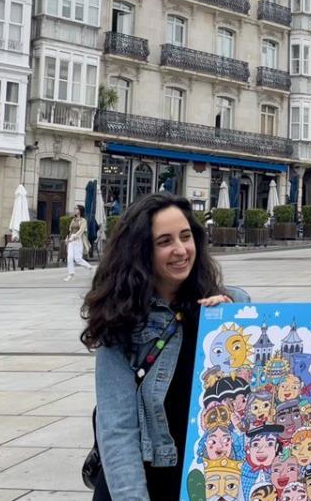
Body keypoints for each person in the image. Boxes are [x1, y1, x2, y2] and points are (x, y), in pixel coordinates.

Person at [81, 193, 249, 500]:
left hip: (205, 480)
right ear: (141, 251)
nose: (181, 250)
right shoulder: (121, 319)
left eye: (186, 237)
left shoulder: (230, 304)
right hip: (143, 482)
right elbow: (117, 429)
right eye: (164, 241)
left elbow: (260, 394)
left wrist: (228, 327)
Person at [64, 204, 93, 282]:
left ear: (80, 210)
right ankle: (71, 275)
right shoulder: (73, 220)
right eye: (74, 209)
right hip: (71, 239)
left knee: (78, 259)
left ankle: (90, 268)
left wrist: (74, 237)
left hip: (78, 240)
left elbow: (81, 231)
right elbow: (69, 230)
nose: (74, 210)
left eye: (76, 209)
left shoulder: (83, 220)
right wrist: (67, 238)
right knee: (69, 257)